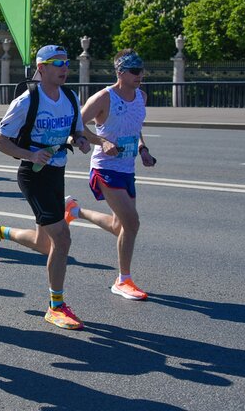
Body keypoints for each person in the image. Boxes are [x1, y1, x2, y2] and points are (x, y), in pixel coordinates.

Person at [0, 45, 91, 330]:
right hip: (33, 173)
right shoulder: (27, 101)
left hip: (57, 171)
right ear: (41, 68)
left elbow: (76, 130)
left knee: (45, 244)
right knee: (62, 239)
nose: (65, 68)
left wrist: (80, 140)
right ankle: (56, 306)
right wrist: (30, 154)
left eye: (66, 62)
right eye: (57, 63)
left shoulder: (70, 96)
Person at [65, 49, 157, 301]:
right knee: (132, 223)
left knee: (120, 226)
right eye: (135, 71)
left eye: (142, 70)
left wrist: (143, 149)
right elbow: (77, 125)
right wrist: (100, 141)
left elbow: (135, 129)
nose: (141, 75)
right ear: (120, 72)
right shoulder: (104, 98)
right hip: (105, 168)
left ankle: (75, 210)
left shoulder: (142, 97)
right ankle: (123, 280)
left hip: (128, 168)